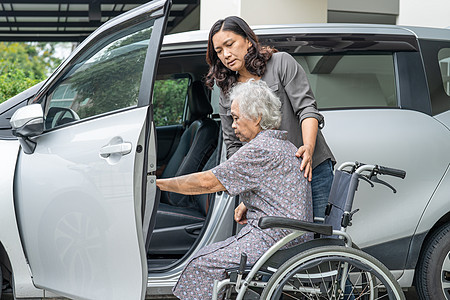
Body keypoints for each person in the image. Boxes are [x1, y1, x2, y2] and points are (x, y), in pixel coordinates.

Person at [157, 80, 313, 299]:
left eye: (237, 118)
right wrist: (246, 204)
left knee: (201, 264)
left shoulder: (259, 150)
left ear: (257, 117)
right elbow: (273, 189)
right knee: (208, 257)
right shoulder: (282, 144)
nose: (233, 125)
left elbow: (207, 183)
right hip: (287, 234)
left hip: (276, 237)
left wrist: (157, 183)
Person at [205, 16, 335, 220]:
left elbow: (307, 109)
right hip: (273, 183)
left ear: (248, 40)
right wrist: (247, 197)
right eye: (219, 51)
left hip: (312, 170)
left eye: (230, 44)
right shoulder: (226, 91)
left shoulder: (281, 63)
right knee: (286, 245)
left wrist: (308, 149)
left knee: (320, 241)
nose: (226, 55)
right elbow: (234, 147)